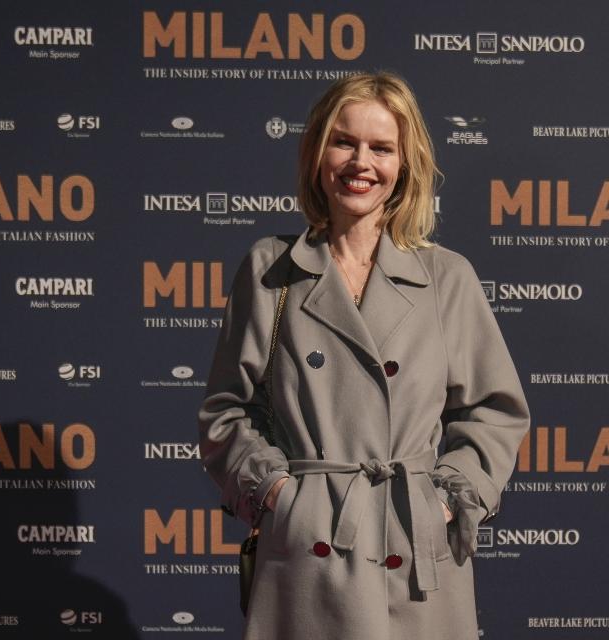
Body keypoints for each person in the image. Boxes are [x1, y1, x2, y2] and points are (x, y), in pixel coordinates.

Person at [199, 71, 530, 640]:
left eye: (381, 148)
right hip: (311, 555)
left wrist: (447, 501)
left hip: (415, 553)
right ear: (317, 153)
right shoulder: (270, 270)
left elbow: (494, 413)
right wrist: (281, 496)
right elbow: (226, 413)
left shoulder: (446, 277)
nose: (361, 162)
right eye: (344, 141)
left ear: (405, 165)